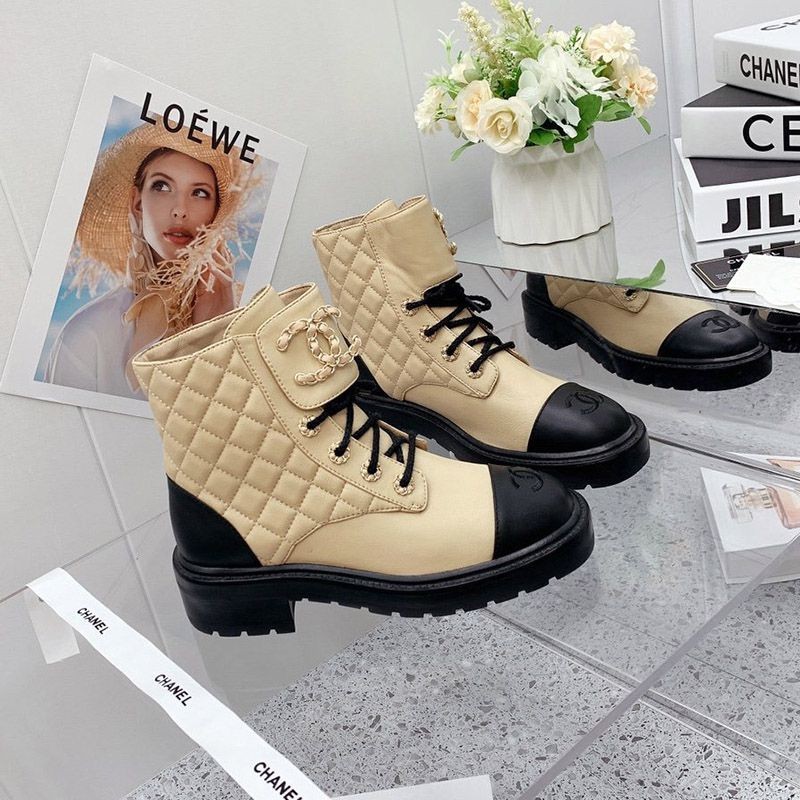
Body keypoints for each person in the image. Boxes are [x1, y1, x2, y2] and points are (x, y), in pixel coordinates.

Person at [44, 118, 254, 398]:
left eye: (200, 193)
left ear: (216, 211)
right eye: (162, 187)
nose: (180, 210)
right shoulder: (87, 334)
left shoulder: (248, 325)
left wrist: (213, 334)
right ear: (137, 202)